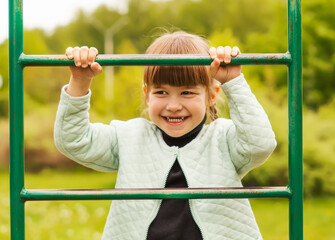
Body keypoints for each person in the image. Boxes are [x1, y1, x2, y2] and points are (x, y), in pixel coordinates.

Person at [54, 31, 276, 240]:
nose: (173, 105)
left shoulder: (223, 138)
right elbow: (74, 140)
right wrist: (80, 82)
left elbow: (260, 144)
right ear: (147, 95)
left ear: (211, 96)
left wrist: (233, 82)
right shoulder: (129, 137)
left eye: (187, 92)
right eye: (161, 92)